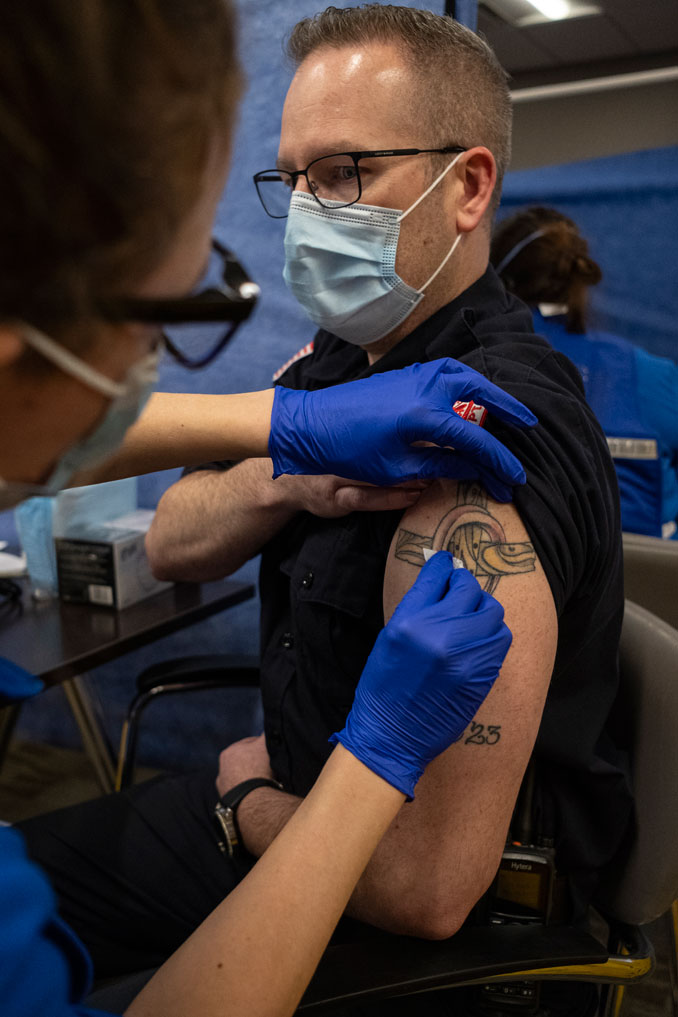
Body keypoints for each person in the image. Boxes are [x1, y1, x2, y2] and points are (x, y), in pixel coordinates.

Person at [16, 6, 628, 1017]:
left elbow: (428, 889)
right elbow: (171, 541)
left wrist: (246, 798)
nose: (306, 212)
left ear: (468, 186)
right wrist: (287, 474)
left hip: (350, 867)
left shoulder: (482, 424)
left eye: (344, 174)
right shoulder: (334, 368)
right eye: (292, 177)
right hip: (282, 797)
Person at [491, 205, 678, 539]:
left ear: (499, 281)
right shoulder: (651, 374)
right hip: (649, 584)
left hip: (524, 572)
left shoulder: (479, 366)